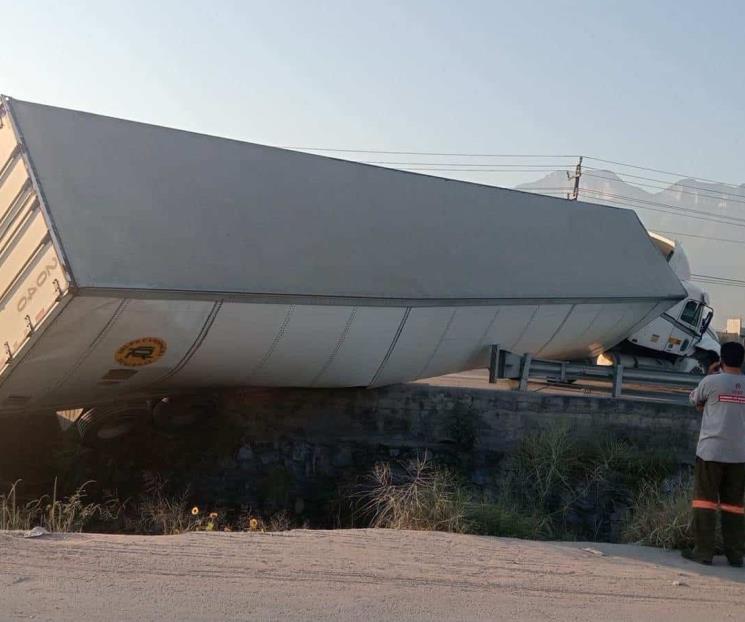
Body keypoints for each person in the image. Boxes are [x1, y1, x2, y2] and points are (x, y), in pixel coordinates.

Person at [683, 341, 745, 566]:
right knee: (734, 506)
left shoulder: (711, 382)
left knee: (705, 502)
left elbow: (695, 400)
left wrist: (710, 374)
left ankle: (704, 553)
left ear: (721, 360)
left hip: (711, 452)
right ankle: (736, 555)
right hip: (739, 455)